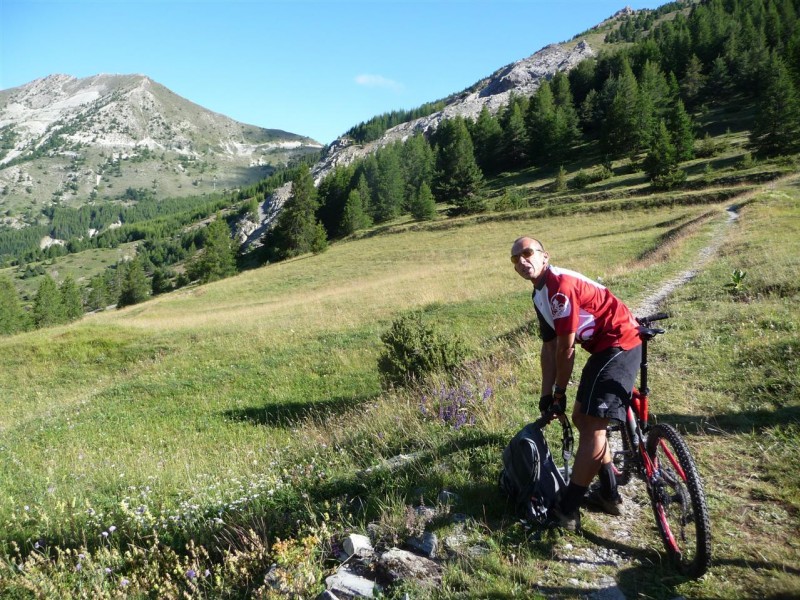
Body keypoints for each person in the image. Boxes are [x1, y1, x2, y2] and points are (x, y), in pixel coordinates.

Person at [510, 236, 642, 531]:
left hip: (621, 341)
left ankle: (566, 508)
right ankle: (609, 493)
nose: (521, 261)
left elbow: (565, 349)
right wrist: (546, 395)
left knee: (593, 424)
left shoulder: (560, 286)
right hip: (602, 348)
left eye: (527, 253)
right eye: (515, 258)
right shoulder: (538, 294)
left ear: (545, 256)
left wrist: (559, 393)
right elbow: (548, 347)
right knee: (582, 418)